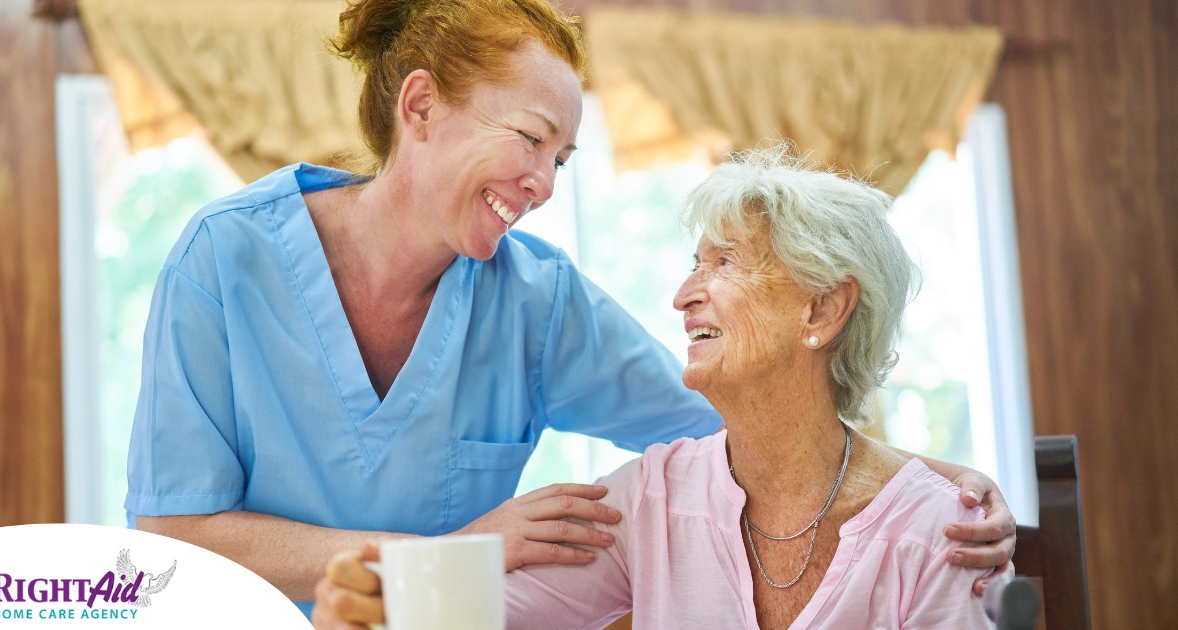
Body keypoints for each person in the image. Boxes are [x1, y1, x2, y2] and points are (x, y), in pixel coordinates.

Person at [126, 0, 1013, 618]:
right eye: (529, 140)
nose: (543, 185)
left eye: (563, 159)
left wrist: (917, 481)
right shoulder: (226, 258)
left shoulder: (536, 301)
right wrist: (448, 552)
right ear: (422, 105)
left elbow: (744, 413)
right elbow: (176, 534)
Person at [313, 147, 1004, 629]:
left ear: (821, 310)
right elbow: (484, 618)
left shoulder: (941, 533)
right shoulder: (651, 498)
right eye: (691, 265)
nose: (681, 296)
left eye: (725, 263)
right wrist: (379, 606)